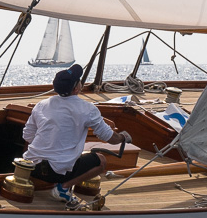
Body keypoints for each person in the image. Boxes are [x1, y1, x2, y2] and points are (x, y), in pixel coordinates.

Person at [23, 64, 129, 207]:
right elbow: (109, 138)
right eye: (79, 80)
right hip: (56, 173)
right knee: (101, 161)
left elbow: (28, 135)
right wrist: (123, 137)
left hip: (32, 167)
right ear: (76, 88)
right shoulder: (88, 109)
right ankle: (63, 188)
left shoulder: (41, 105)